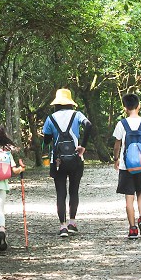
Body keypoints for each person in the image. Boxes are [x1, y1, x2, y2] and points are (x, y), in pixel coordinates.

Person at [42, 88, 93, 237]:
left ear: (56, 103)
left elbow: (46, 140)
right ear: (70, 102)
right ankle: (72, 223)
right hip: (76, 158)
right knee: (74, 191)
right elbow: (88, 125)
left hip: (57, 160)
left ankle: (62, 226)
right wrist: (82, 145)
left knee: (61, 193)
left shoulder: (50, 118)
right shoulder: (77, 115)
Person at [112, 92, 141, 239]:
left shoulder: (121, 124)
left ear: (125, 108)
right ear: (138, 106)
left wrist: (115, 159)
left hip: (127, 167)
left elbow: (117, 145)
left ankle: (132, 228)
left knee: (128, 198)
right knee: (140, 193)